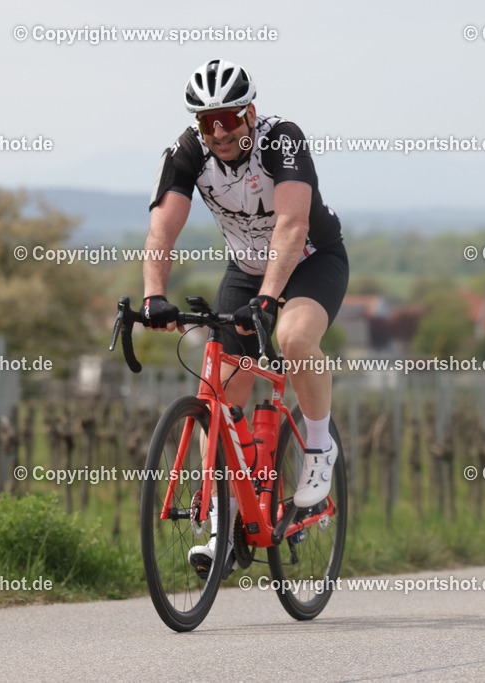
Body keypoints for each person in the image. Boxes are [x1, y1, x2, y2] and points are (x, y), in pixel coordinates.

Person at [139, 59, 348, 577]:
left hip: (310, 261)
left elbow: (293, 224)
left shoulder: (283, 142)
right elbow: (162, 230)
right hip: (245, 269)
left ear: (250, 113)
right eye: (208, 121)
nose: (220, 131)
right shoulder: (188, 154)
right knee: (219, 394)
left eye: (229, 118)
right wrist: (153, 296)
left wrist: (272, 297)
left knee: (294, 339)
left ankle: (319, 448)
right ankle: (223, 525)